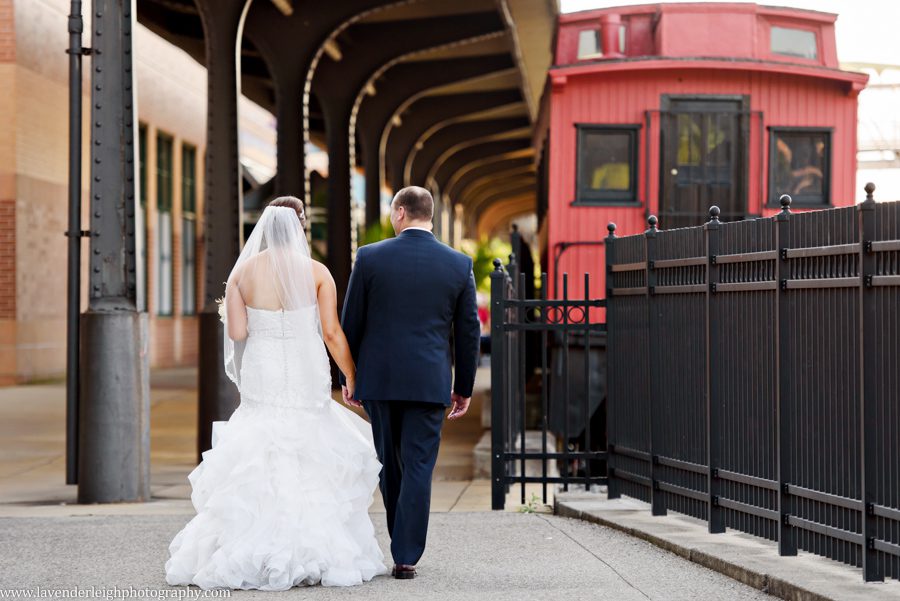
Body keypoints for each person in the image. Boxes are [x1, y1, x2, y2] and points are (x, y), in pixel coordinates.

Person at [164, 197, 388, 590]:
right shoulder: (318, 273)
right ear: (301, 225)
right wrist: (351, 375)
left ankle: (250, 549)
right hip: (303, 368)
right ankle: (314, 552)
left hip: (264, 369)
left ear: (264, 228)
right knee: (308, 446)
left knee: (260, 445)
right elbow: (332, 333)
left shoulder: (242, 275)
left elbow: (237, 334)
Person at [340, 186, 481, 580]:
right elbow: (468, 331)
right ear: (430, 215)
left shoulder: (369, 258)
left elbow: (351, 322)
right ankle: (406, 554)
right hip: (429, 382)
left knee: (389, 462)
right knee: (419, 464)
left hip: (380, 380)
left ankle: (398, 540)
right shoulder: (458, 263)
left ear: (400, 213)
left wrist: (348, 377)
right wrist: (464, 387)